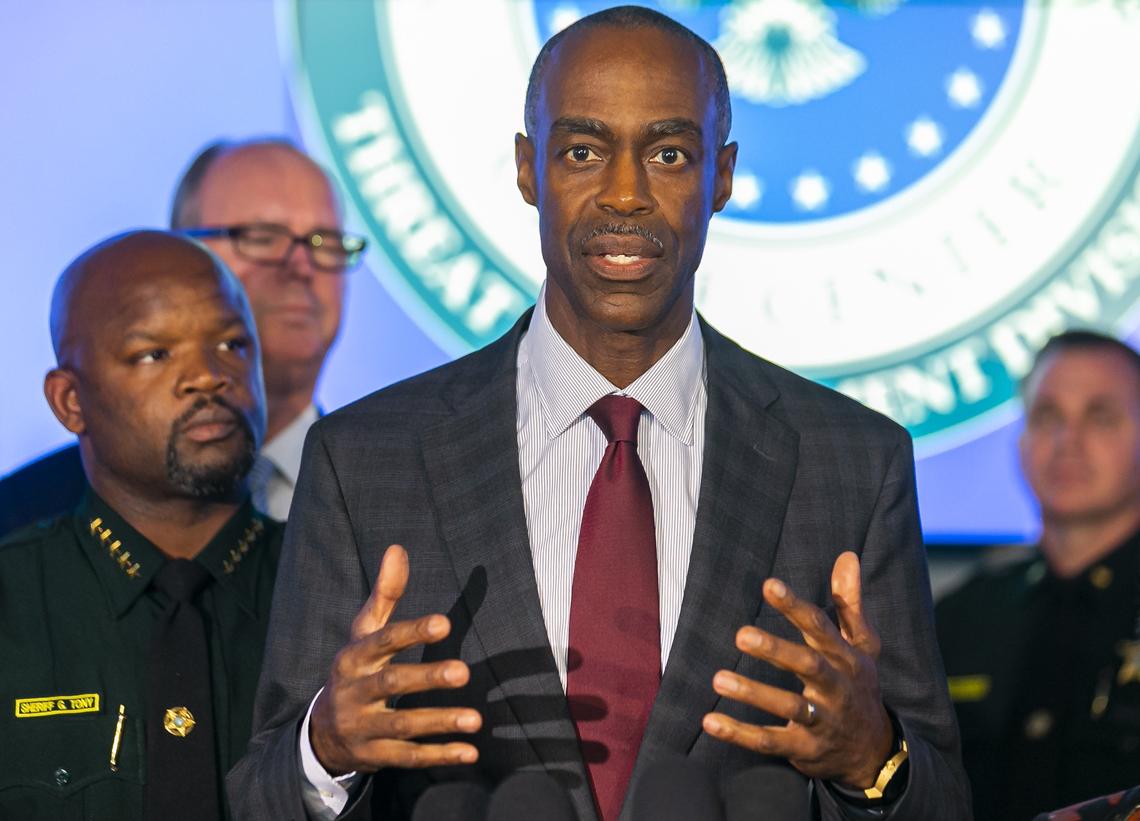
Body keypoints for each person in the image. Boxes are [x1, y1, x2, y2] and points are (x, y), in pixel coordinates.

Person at [229, 8, 969, 821]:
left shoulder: (854, 462)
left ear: (721, 177)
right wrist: (326, 748)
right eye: (583, 152)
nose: (625, 192)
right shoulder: (364, 460)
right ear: (526, 169)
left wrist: (873, 754)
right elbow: (262, 790)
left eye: (669, 154)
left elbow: (942, 798)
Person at [0, 231, 284, 820]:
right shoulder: (11, 599)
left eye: (232, 345)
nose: (208, 376)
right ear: (69, 401)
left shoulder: (337, 587)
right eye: (154, 354)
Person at [0, 139, 365, 533]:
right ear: (179, 256)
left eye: (323, 241)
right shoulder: (20, 520)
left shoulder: (404, 501)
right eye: (261, 236)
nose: (302, 266)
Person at [937, 330, 1140, 821]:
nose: (1067, 441)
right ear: (1023, 438)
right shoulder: (957, 619)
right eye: (1047, 416)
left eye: (1101, 417)